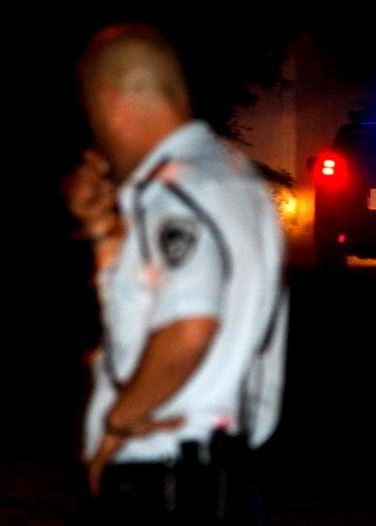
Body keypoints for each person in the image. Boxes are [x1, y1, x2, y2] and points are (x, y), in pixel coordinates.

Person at [67, 23, 288, 525]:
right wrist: (105, 235)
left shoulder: (175, 191)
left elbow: (190, 326)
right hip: (227, 472)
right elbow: (155, 310)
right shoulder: (234, 178)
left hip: (167, 484)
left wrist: (117, 425)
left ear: (110, 102)